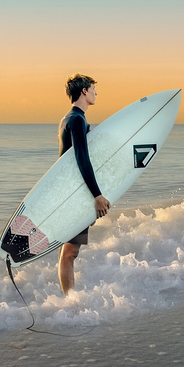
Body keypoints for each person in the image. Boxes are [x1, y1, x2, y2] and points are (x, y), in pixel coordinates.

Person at [57, 74, 111, 295]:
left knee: (69, 251)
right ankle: (70, 302)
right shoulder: (76, 120)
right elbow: (81, 159)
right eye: (93, 89)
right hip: (73, 193)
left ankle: (69, 299)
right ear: (84, 92)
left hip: (69, 191)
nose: (96, 93)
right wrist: (97, 195)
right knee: (70, 252)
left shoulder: (70, 119)